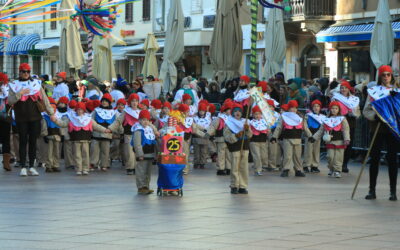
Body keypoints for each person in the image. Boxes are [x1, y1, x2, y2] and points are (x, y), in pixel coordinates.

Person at [8, 63, 54, 176]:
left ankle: (32, 167)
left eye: (28, 71)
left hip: (35, 117)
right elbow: (10, 101)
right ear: (19, 72)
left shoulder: (36, 83)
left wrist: (51, 113)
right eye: (23, 71)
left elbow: (45, 99)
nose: (25, 73)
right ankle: (23, 166)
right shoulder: (14, 84)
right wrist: (20, 93)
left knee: (33, 142)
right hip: (21, 118)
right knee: (23, 142)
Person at [363, 65, 399, 201]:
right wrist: (375, 116)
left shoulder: (397, 91)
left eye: (388, 74)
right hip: (377, 128)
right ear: (380, 77)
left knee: (392, 159)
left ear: (391, 76)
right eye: (383, 75)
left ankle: (393, 191)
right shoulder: (373, 91)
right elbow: (366, 110)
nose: (386, 77)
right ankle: (372, 190)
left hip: (392, 128)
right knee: (375, 159)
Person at [52, 102, 110, 175]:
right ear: (76, 110)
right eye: (78, 110)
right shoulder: (72, 118)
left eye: (81, 110)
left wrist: (105, 130)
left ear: (84, 110)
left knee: (85, 155)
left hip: (86, 140)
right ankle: (78, 169)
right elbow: (63, 124)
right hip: (75, 140)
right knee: (77, 155)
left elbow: (96, 126)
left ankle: (85, 168)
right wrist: (55, 120)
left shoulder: (88, 119)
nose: (79, 111)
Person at [331, 80, 360, 173]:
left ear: (349, 89)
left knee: (348, 143)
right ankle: (337, 164)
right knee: (339, 142)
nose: (343, 89)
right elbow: (332, 107)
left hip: (351, 122)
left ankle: (345, 164)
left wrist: (353, 113)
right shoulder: (336, 98)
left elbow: (358, 113)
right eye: (342, 88)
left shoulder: (354, 99)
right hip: (339, 122)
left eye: (345, 88)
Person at [271, 100, 305, 177]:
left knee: (297, 156)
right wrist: (274, 137)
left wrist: (310, 136)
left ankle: (298, 170)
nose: (292, 110)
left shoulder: (300, 118)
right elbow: (279, 128)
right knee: (287, 155)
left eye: (294, 108)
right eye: (291, 108)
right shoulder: (284, 117)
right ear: (288, 109)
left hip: (298, 140)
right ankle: (286, 169)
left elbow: (305, 127)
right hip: (287, 139)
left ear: (297, 109)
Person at [108, 93, 141, 175]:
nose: (134, 103)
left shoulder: (140, 112)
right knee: (129, 152)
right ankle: (130, 168)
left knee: (137, 151)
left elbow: (147, 123)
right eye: (133, 101)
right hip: (128, 134)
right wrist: (110, 128)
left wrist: (155, 131)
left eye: (136, 101)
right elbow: (118, 121)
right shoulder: (126, 112)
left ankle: (137, 167)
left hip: (138, 135)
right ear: (130, 102)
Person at [224, 103, 252, 194]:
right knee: (235, 167)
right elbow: (227, 136)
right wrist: (235, 135)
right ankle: (234, 185)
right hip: (235, 146)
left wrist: (247, 130)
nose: (238, 113)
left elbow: (250, 135)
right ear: (232, 112)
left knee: (244, 167)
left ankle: (243, 186)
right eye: (235, 111)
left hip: (244, 147)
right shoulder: (229, 123)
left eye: (239, 111)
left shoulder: (245, 122)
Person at [133, 109, 159, 195]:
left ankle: (146, 186)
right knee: (141, 171)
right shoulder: (138, 130)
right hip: (142, 155)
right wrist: (140, 154)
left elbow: (154, 132)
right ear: (139, 120)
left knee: (148, 171)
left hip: (150, 154)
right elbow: (137, 144)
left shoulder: (149, 128)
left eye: (147, 120)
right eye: (143, 120)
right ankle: (141, 187)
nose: (145, 122)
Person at [321, 101, 350, 178]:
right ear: (330, 109)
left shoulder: (342, 119)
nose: (334, 110)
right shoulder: (327, 119)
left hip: (340, 141)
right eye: (332, 108)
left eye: (336, 108)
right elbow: (321, 130)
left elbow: (346, 129)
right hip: (330, 141)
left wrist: (346, 139)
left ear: (338, 110)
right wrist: (314, 137)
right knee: (330, 156)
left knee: (339, 157)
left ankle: (337, 170)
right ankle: (331, 168)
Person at [90, 93, 116, 171]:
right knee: (94, 150)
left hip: (107, 134)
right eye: (103, 101)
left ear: (109, 102)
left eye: (106, 101)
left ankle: (104, 164)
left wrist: (113, 130)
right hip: (96, 133)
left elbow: (116, 123)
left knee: (105, 150)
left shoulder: (113, 112)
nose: (104, 102)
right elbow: (91, 119)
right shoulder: (96, 110)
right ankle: (93, 163)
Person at [208, 101, 233, 175]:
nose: (231, 111)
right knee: (221, 154)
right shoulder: (219, 119)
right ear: (225, 110)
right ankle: (221, 168)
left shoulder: (232, 118)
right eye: (229, 109)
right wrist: (209, 134)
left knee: (229, 154)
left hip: (229, 139)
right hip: (221, 139)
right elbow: (213, 127)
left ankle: (229, 167)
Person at [303, 100, 325, 173]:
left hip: (317, 136)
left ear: (320, 108)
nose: (316, 108)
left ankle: (314, 166)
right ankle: (306, 165)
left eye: (318, 106)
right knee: (308, 151)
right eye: (314, 106)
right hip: (309, 135)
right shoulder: (308, 115)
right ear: (312, 107)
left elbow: (322, 127)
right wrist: (309, 135)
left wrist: (316, 136)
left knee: (316, 151)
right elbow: (305, 125)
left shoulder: (322, 117)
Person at [193, 103, 211, 169]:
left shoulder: (208, 118)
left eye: (203, 111)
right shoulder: (195, 118)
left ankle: (202, 163)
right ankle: (196, 163)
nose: (201, 112)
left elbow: (209, 127)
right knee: (196, 151)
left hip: (205, 137)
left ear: (205, 111)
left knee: (204, 151)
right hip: (196, 136)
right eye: (200, 111)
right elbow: (194, 127)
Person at [0, 72, 11, 171]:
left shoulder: (7, 88)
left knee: (6, 140)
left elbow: (10, 99)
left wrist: (4, 91)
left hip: (5, 117)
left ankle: (6, 162)